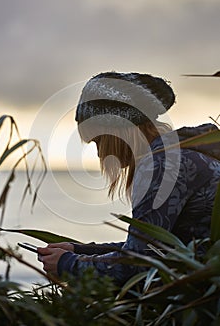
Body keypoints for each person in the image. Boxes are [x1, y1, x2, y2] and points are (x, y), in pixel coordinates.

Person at [37, 72, 220, 285]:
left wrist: (68, 265)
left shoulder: (161, 165)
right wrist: (79, 250)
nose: (99, 154)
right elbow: (151, 247)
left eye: (98, 141)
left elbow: (137, 265)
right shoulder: (182, 153)